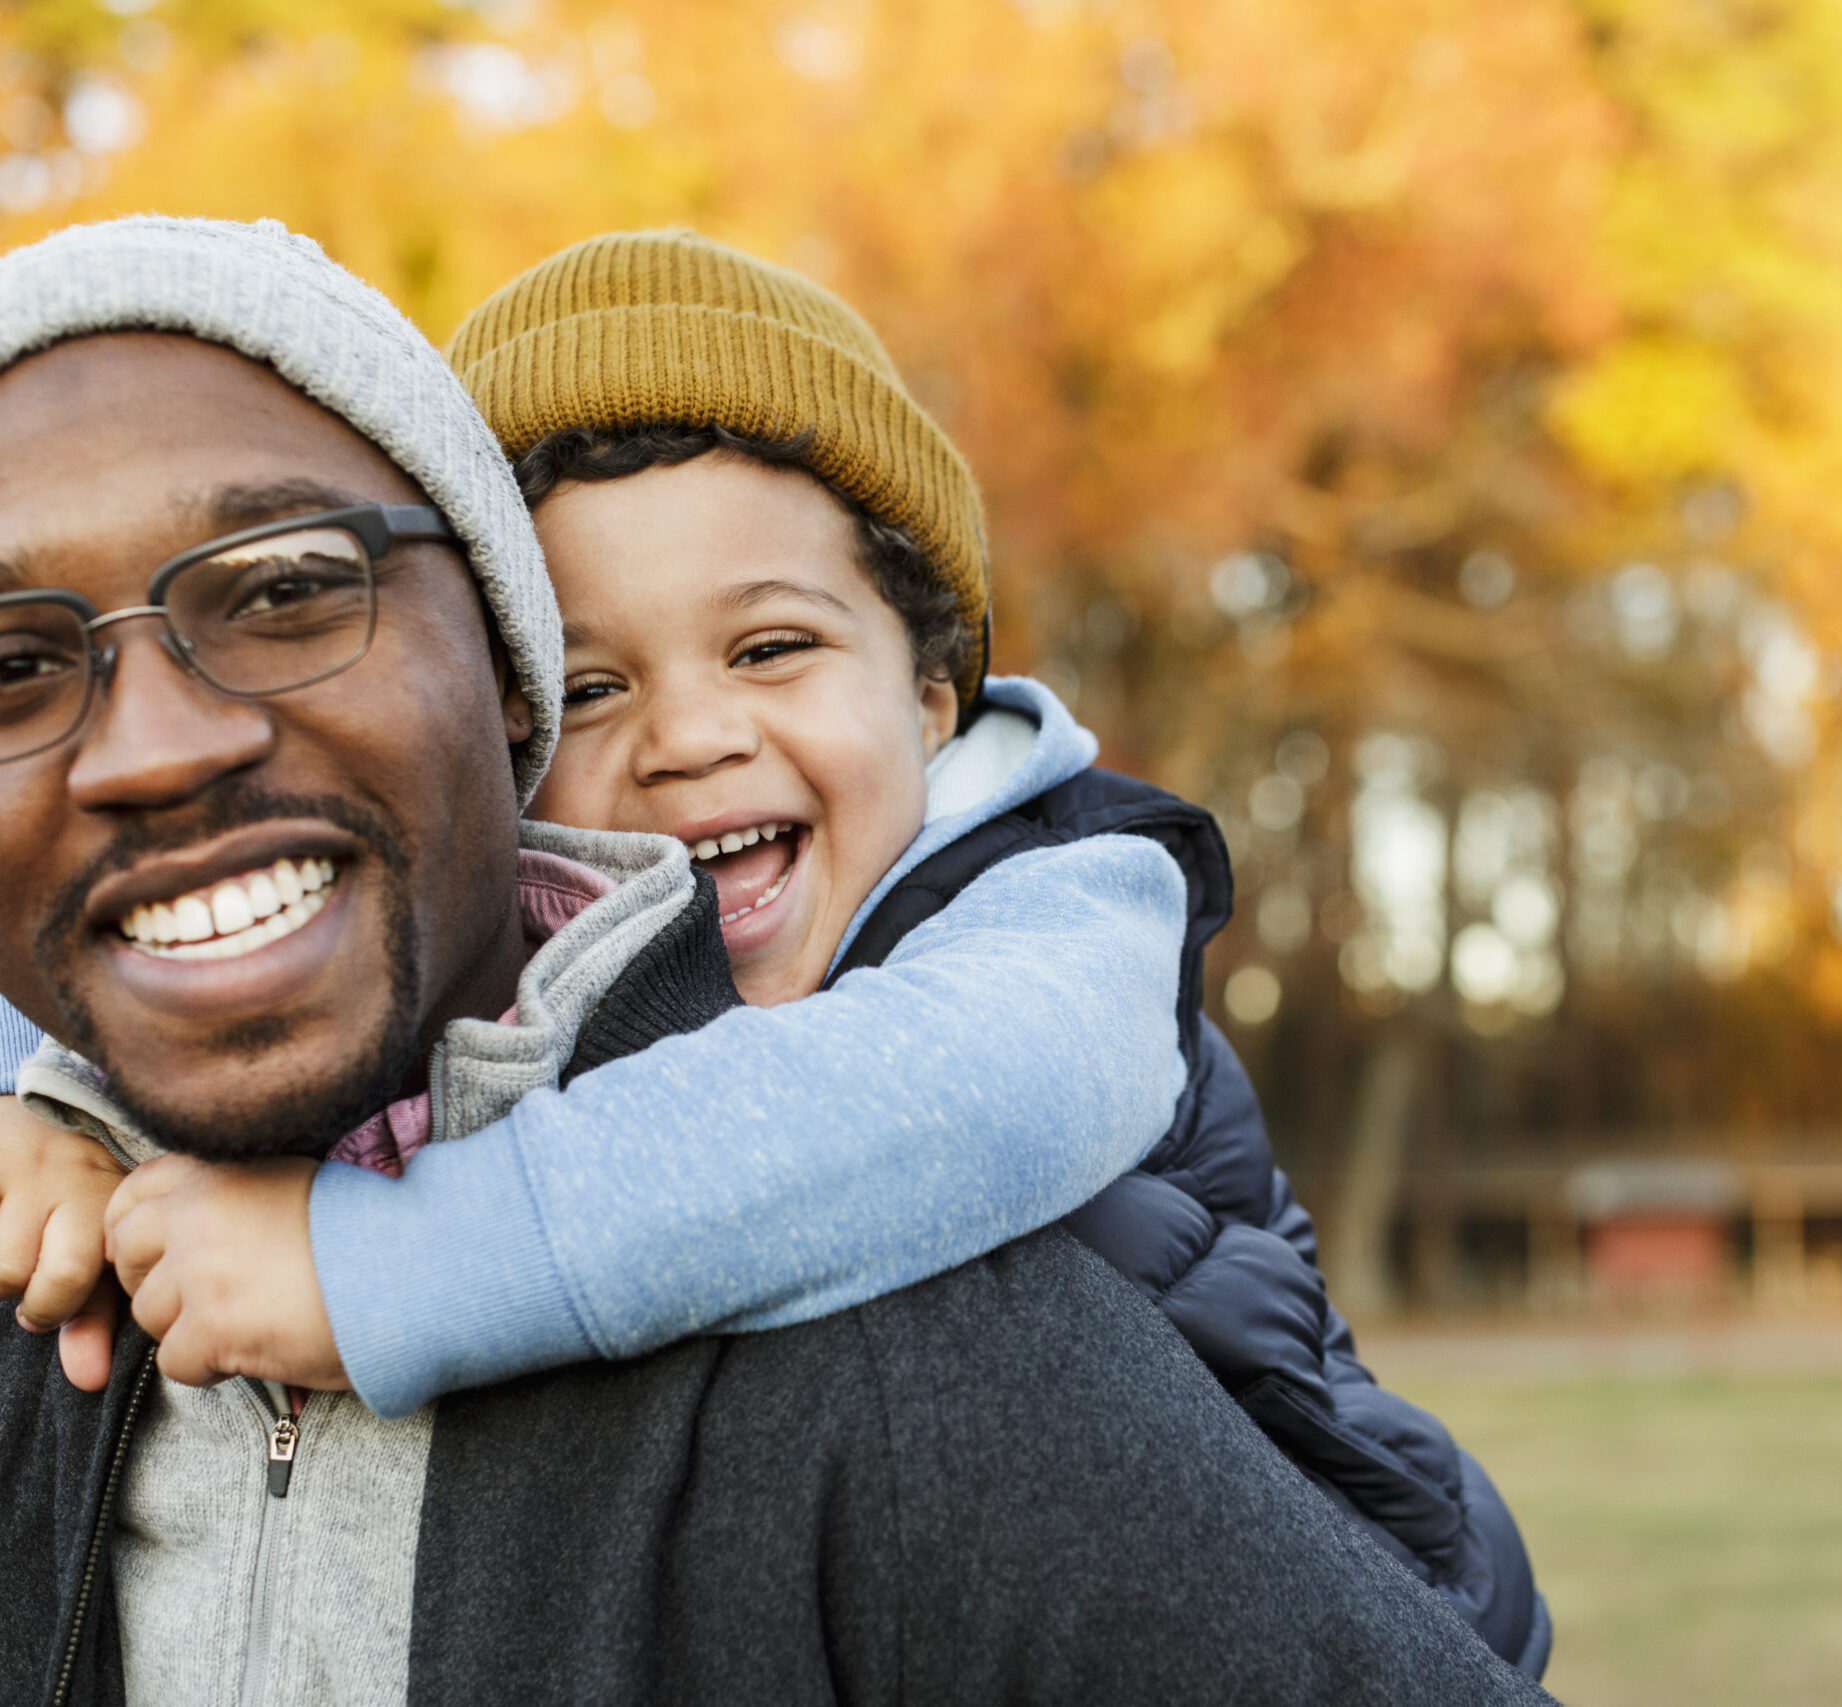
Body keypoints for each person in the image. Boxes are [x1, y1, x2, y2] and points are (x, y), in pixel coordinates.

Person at [0, 213, 1552, 1705]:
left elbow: (927, 1113)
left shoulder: (1062, 914)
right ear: (508, 719)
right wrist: (74, 1112)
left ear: (938, 693)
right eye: (595, 687)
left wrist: (372, 1270)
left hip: (1349, 1570)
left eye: (770, 648)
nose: (690, 739)